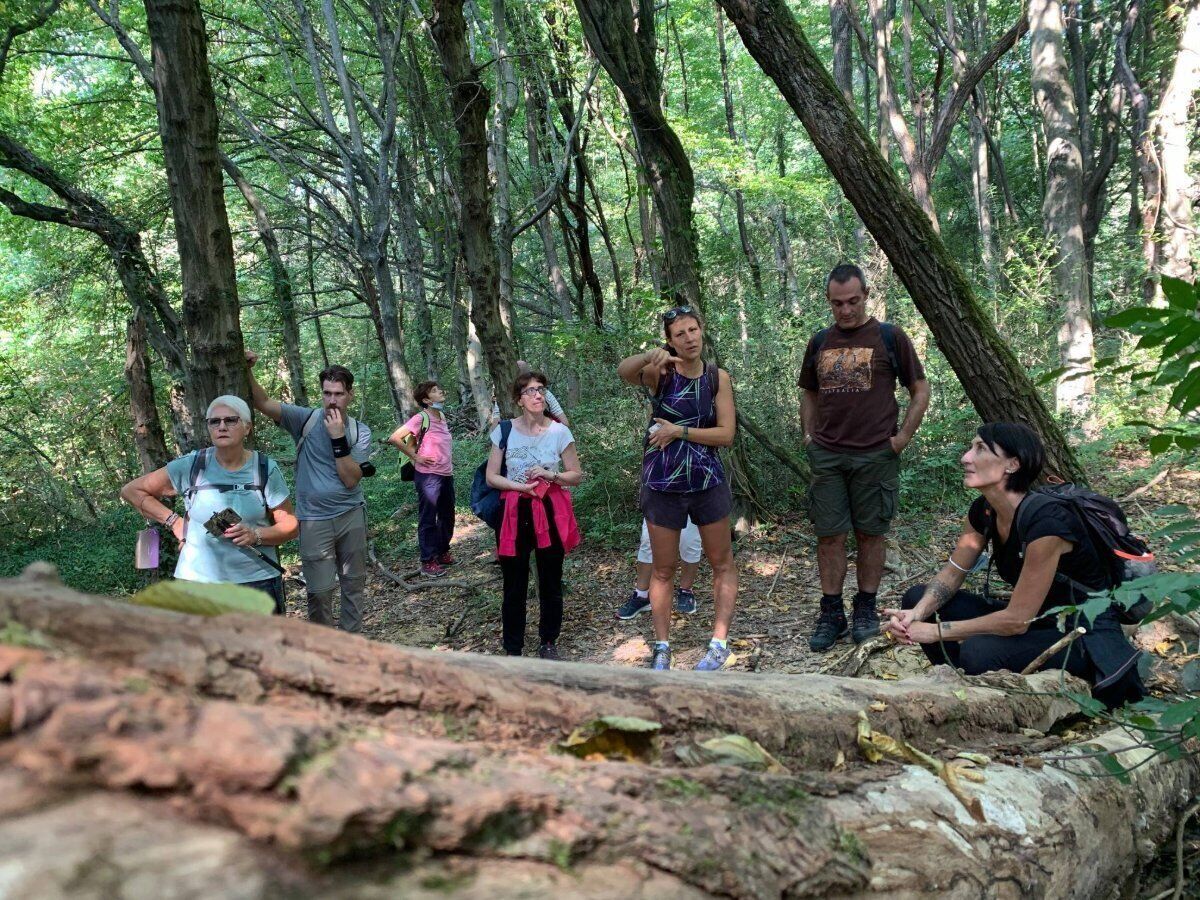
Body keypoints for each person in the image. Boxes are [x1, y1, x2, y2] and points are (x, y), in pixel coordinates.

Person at [882, 423, 1144, 708]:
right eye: (971, 447)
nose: (966, 457)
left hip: (1080, 632)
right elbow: (953, 572)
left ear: (1013, 464)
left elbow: (1017, 620)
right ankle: (959, 684)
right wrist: (916, 615)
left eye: (980, 448)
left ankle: (976, 691)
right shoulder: (983, 511)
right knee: (917, 597)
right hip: (1039, 621)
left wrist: (934, 632)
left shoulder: (1047, 522)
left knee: (978, 651)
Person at [800, 263, 931, 651]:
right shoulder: (820, 341)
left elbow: (919, 387)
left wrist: (902, 437)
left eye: (853, 301)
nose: (846, 310)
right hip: (827, 454)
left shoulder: (889, 337)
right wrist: (808, 435)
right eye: (838, 303)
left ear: (866, 295)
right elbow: (808, 390)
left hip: (876, 453)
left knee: (871, 534)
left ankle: (865, 607)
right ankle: (831, 612)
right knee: (829, 536)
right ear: (829, 301)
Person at [616, 306, 738, 671]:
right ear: (670, 341)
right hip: (663, 483)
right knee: (663, 569)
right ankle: (662, 647)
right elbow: (624, 371)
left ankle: (718, 643)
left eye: (693, 330)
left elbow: (726, 434)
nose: (689, 338)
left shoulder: (718, 378)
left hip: (707, 482)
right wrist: (649, 356)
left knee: (721, 563)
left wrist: (679, 431)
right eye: (680, 334)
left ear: (702, 331)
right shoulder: (661, 373)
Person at [120, 396, 298, 612]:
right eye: (215, 421)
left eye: (231, 420)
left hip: (256, 581)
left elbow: (290, 525)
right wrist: (174, 522)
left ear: (247, 427)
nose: (222, 426)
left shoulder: (263, 468)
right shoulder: (191, 466)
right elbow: (132, 491)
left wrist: (256, 535)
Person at [246, 351, 373, 632]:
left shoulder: (359, 431)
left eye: (338, 393)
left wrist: (338, 438)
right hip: (314, 520)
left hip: (351, 514)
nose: (331, 400)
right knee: (319, 591)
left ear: (350, 395)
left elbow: (352, 479)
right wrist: (247, 369)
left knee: (354, 583)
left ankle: (352, 642)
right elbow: (262, 402)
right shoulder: (305, 419)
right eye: (327, 393)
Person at [485, 371, 583, 659]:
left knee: (551, 579)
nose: (538, 395)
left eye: (541, 390)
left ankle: (548, 641)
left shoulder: (559, 431)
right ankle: (513, 647)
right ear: (519, 399)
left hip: (550, 510)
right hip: (514, 512)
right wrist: (520, 486)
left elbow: (575, 475)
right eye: (530, 391)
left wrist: (550, 475)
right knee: (513, 582)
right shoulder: (504, 430)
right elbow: (492, 477)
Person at [388, 381, 455, 579]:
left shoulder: (441, 416)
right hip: (428, 476)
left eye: (438, 388)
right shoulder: (421, 418)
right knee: (428, 518)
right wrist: (415, 456)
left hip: (446, 473)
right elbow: (395, 438)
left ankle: (442, 552)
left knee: (447, 515)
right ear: (426, 400)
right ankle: (428, 561)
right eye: (435, 391)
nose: (440, 391)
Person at [615, 517, 702, 619]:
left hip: (692, 503)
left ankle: (686, 592)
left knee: (689, 541)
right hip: (659, 502)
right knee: (648, 541)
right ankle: (641, 596)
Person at [489, 360, 570, 428]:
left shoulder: (545, 393)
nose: (537, 395)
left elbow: (564, 423)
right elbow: (495, 424)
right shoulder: (504, 397)